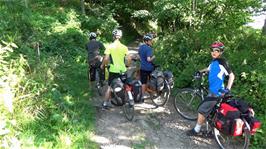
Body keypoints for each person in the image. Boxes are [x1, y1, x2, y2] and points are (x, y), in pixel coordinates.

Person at [186, 41, 235, 136]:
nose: (214, 52)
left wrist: (228, 89)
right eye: (212, 50)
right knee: (212, 111)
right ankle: (215, 131)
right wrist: (199, 71)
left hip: (217, 92)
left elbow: (232, 76)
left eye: (217, 50)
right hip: (213, 90)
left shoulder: (222, 62)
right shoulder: (214, 62)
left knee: (202, 110)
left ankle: (196, 130)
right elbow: (208, 69)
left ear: (220, 52)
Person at [100, 29, 131, 110]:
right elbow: (129, 58)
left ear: (113, 36)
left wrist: (103, 65)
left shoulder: (110, 46)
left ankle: (105, 104)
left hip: (113, 71)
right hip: (123, 70)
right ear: (120, 37)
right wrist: (127, 66)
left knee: (110, 87)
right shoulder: (124, 47)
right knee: (126, 84)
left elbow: (106, 58)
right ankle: (129, 99)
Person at [138, 34, 155, 101]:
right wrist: (153, 57)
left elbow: (139, 56)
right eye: (150, 41)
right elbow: (148, 59)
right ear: (146, 41)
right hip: (149, 68)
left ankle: (142, 96)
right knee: (151, 81)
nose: (151, 42)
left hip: (142, 68)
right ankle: (152, 94)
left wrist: (142, 60)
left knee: (143, 82)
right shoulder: (149, 48)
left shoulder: (141, 47)